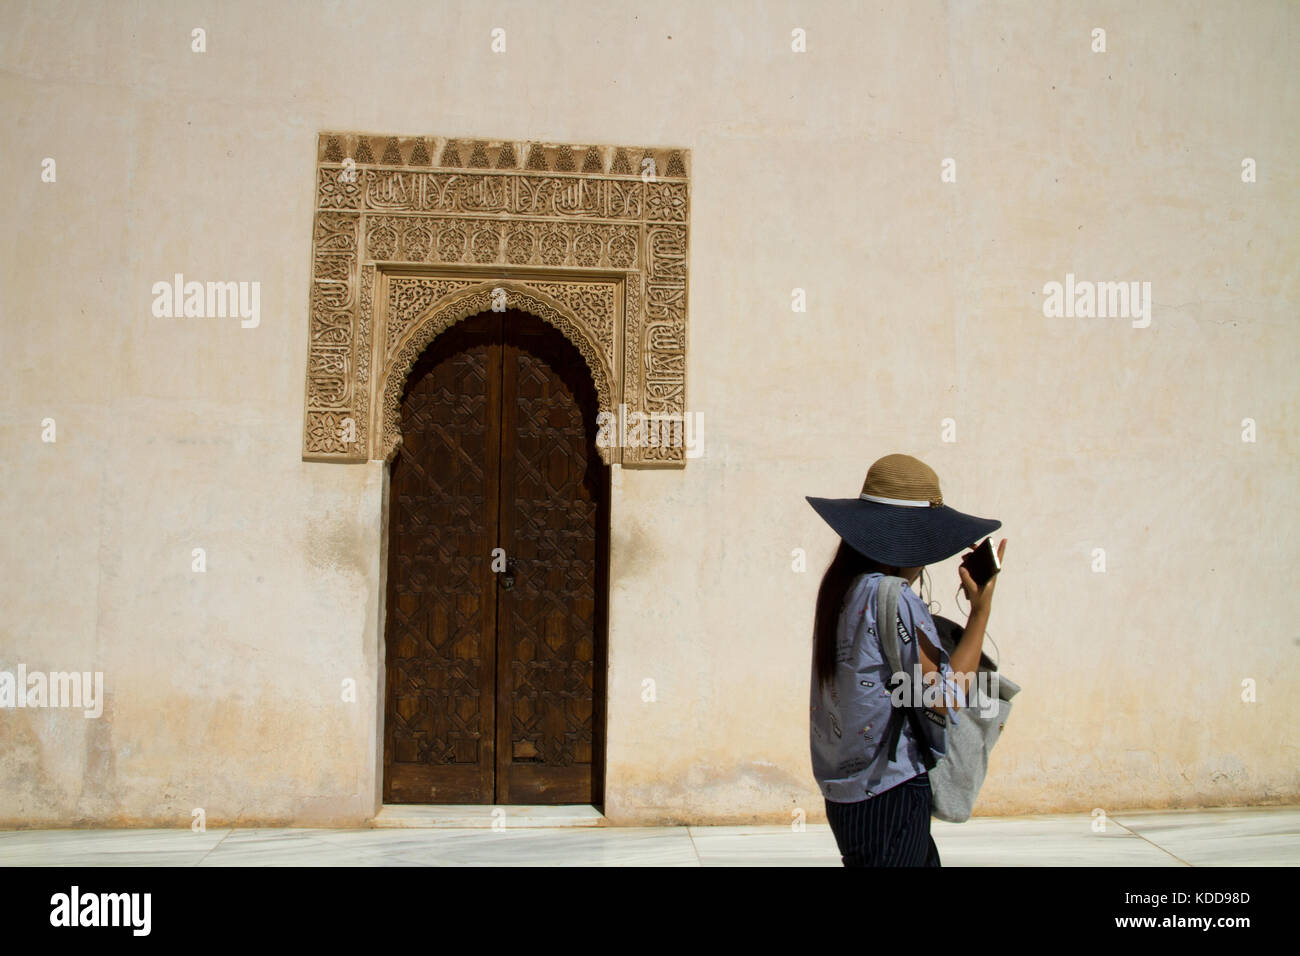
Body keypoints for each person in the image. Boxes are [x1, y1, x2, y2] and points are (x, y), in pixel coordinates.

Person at [806, 453, 1006, 866]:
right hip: (889, 793)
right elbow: (945, 697)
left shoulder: (841, 589)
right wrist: (980, 610)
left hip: (844, 793)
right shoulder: (893, 598)